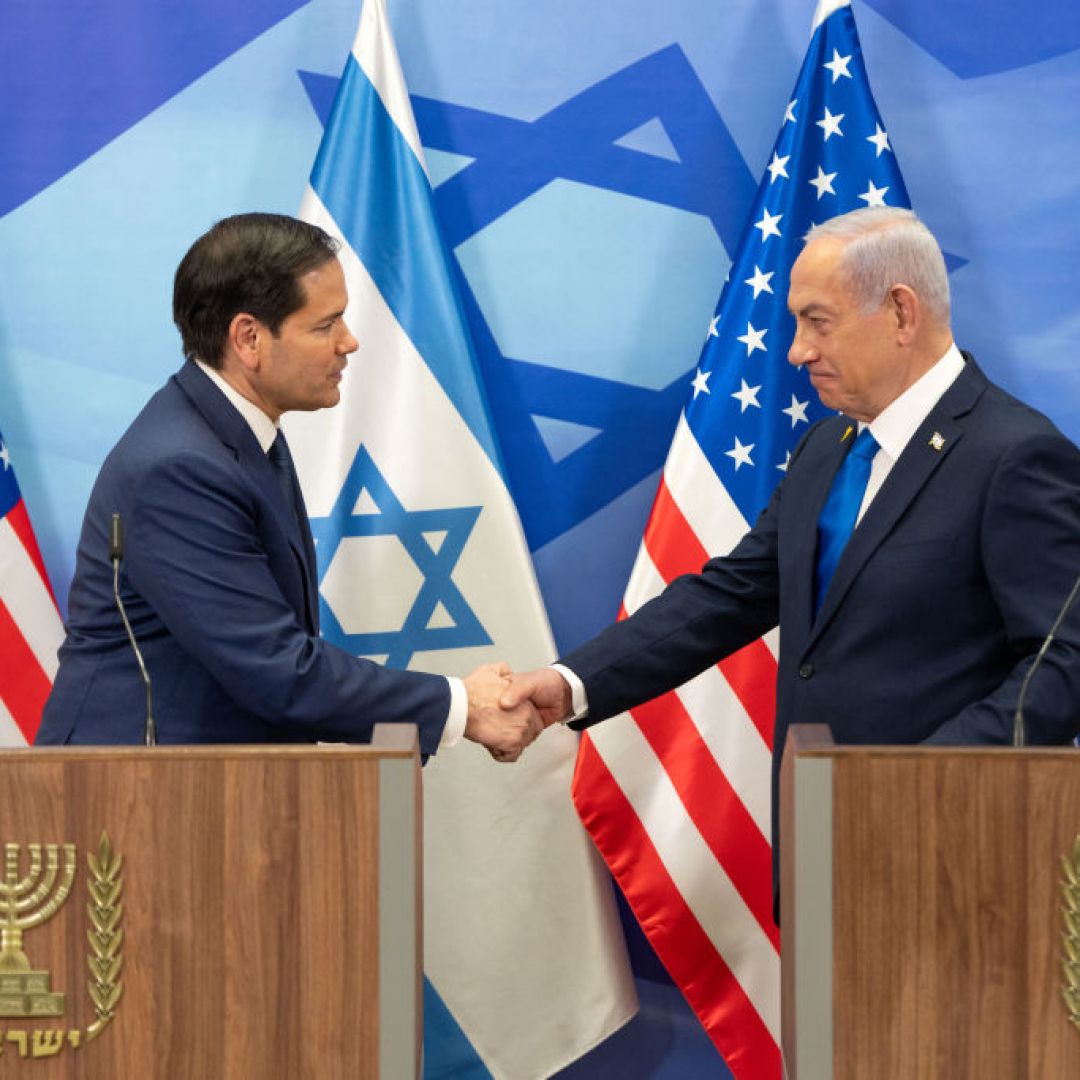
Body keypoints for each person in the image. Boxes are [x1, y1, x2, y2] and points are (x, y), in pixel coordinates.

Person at [502, 207, 1080, 894]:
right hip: (820, 842)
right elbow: (731, 595)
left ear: (901, 312)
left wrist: (919, 783)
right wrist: (568, 685)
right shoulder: (828, 448)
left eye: (818, 321)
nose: (797, 351)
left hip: (948, 857)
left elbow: (1063, 663)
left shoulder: (1014, 454)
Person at [37, 212, 539, 760]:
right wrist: (463, 705)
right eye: (326, 325)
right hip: (127, 798)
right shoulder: (180, 467)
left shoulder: (241, 434)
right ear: (249, 338)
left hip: (212, 788)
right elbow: (276, 670)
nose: (349, 343)